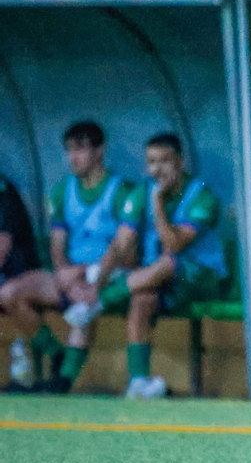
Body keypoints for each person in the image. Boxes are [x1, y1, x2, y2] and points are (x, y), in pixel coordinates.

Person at [0, 121, 133, 394]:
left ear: (100, 152)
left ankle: (63, 381)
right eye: (69, 150)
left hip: (110, 273)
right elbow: (57, 246)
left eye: (81, 149)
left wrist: (85, 275)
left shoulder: (122, 190)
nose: (73, 157)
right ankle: (57, 354)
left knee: (85, 304)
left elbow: (125, 248)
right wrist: (64, 274)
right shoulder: (61, 192)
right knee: (9, 293)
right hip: (73, 276)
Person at [93, 132, 227, 399]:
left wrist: (157, 203)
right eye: (152, 162)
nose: (157, 169)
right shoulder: (142, 191)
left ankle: (101, 303)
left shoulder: (202, 196)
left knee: (168, 262)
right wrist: (96, 282)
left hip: (203, 279)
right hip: (160, 279)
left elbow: (174, 245)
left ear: (180, 161)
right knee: (142, 298)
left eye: (164, 161)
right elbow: (121, 242)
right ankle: (139, 381)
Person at [0, 172, 44, 389]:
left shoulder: (3, 191)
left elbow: (2, 246)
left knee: (8, 294)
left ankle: (47, 359)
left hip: (16, 273)